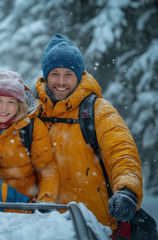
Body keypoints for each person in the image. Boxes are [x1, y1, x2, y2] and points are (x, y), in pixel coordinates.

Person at [35, 34, 143, 232]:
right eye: (54, 73)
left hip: (95, 226)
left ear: (79, 75)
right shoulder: (32, 110)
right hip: (43, 227)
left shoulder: (98, 110)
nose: (61, 81)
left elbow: (122, 150)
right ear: (45, 76)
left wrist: (128, 189)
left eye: (68, 74)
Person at [0, 70, 58, 203]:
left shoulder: (32, 126)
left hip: (22, 206)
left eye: (11, 102)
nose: (4, 108)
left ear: (19, 104)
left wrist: (46, 199)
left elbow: (46, 168)